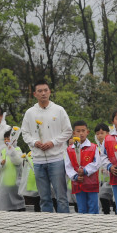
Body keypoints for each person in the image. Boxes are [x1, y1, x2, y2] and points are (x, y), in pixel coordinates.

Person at [20, 79, 73, 213]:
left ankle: (65, 223)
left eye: (45, 90)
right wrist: (34, 142)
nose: (43, 93)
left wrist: (53, 142)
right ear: (34, 94)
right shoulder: (30, 113)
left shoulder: (59, 110)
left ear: (49, 92)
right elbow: (25, 133)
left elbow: (68, 131)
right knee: (44, 197)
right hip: (38, 160)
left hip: (56, 158)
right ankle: (47, 224)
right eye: (40, 91)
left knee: (61, 196)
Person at [65, 121, 100, 214]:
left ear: (87, 132)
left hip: (91, 182)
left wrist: (85, 170)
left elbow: (97, 163)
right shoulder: (69, 149)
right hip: (78, 183)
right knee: (82, 209)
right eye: (78, 131)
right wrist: (75, 176)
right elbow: (68, 166)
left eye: (83, 130)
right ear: (73, 133)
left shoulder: (94, 147)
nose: (81, 133)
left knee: (93, 207)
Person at [94, 123, 115, 215]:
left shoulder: (112, 144)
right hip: (103, 179)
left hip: (114, 175)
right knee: (103, 196)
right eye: (97, 134)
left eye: (102, 133)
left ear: (108, 133)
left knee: (115, 197)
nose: (99, 135)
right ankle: (106, 213)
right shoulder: (96, 147)